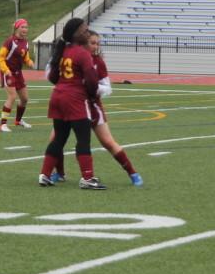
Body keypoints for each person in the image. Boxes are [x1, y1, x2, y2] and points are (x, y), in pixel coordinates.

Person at [47, 31, 143, 187]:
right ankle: (59, 173)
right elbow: (54, 75)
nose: (96, 46)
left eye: (98, 43)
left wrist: (91, 87)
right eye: (92, 43)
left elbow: (107, 88)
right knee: (55, 140)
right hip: (72, 105)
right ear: (84, 43)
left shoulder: (98, 62)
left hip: (92, 107)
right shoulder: (71, 55)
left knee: (108, 142)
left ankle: (133, 173)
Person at [38, 18, 106, 190]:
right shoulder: (83, 54)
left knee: (59, 138)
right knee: (83, 139)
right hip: (75, 99)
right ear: (75, 34)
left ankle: (44, 174)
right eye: (84, 30)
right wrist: (90, 95)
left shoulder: (62, 50)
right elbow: (91, 81)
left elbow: (53, 77)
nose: (87, 32)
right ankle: (88, 178)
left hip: (58, 96)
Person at [0, 18, 33, 132]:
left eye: (26, 27)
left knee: (25, 99)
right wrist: (6, 70)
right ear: (17, 28)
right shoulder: (10, 41)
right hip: (8, 72)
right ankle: (2, 124)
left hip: (18, 73)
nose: (25, 29)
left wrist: (29, 62)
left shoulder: (26, 42)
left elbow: (25, 56)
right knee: (12, 97)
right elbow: (0, 57)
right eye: (22, 27)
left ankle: (18, 121)